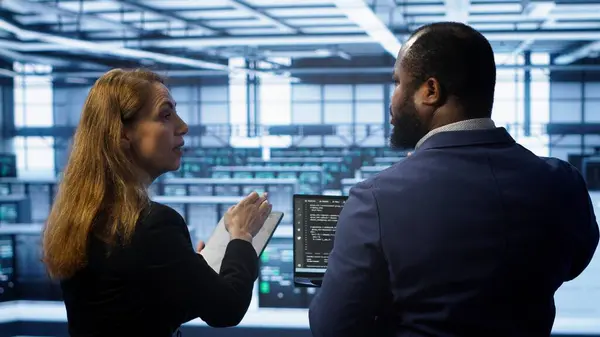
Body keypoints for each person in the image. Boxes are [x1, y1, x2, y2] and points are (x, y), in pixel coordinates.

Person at [309, 22, 599, 337]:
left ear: (430, 91)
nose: (391, 100)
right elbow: (572, 266)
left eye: (397, 83)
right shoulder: (563, 183)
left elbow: (333, 327)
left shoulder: (375, 198)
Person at [42, 68, 272, 337]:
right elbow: (227, 308)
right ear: (124, 133)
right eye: (166, 115)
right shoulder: (153, 224)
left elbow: (134, 311)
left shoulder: (83, 216)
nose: (183, 126)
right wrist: (242, 237)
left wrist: (187, 270)